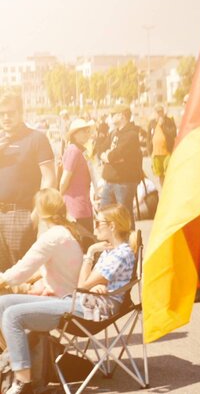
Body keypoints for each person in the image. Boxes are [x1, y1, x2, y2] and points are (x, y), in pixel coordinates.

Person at [0, 204, 136, 394]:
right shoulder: (107, 251)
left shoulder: (122, 253)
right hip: (80, 301)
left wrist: (92, 284)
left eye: (98, 223)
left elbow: (84, 285)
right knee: (3, 304)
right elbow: (83, 284)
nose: (94, 226)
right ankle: (21, 364)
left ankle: (23, 382)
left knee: (13, 315)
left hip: (92, 309)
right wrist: (90, 253)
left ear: (112, 226)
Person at [0, 92, 56, 272]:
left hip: (22, 214)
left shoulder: (36, 139)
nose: (6, 117)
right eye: (2, 113)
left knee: (22, 271)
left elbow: (49, 178)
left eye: (11, 113)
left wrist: (37, 214)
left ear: (21, 113)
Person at [0, 189, 83, 299]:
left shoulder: (52, 237)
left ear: (39, 211)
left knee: (5, 302)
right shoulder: (66, 232)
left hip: (59, 298)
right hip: (65, 293)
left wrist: (3, 279)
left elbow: (22, 269)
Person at [99, 105, 143, 228]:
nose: (111, 117)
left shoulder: (131, 134)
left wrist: (108, 157)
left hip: (124, 182)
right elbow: (100, 149)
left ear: (122, 115)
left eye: (113, 114)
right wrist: (107, 156)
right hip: (109, 181)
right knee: (104, 214)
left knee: (124, 217)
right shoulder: (114, 133)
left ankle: (129, 245)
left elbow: (114, 155)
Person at [59, 119, 95, 232]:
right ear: (74, 134)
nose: (87, 134)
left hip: (83, 204)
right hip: (75, 206)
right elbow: (65, 179)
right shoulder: (74, 150)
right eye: (83, 131)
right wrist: (58, 198)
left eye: (88, 131)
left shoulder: (81, 150)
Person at [147, 104, 177, 186]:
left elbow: (173, 134)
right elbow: (148, 138)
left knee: (168, 174)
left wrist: (162, 125)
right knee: (160, 175)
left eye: (161, 112)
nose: (159, 114)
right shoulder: (152, 123)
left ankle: (169, 191)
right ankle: (163, 191)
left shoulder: (169, 121)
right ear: (154, 113)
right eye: (157, 112)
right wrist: (149, 152)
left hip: (167, 153)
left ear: (163, 112)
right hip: (156, 154)